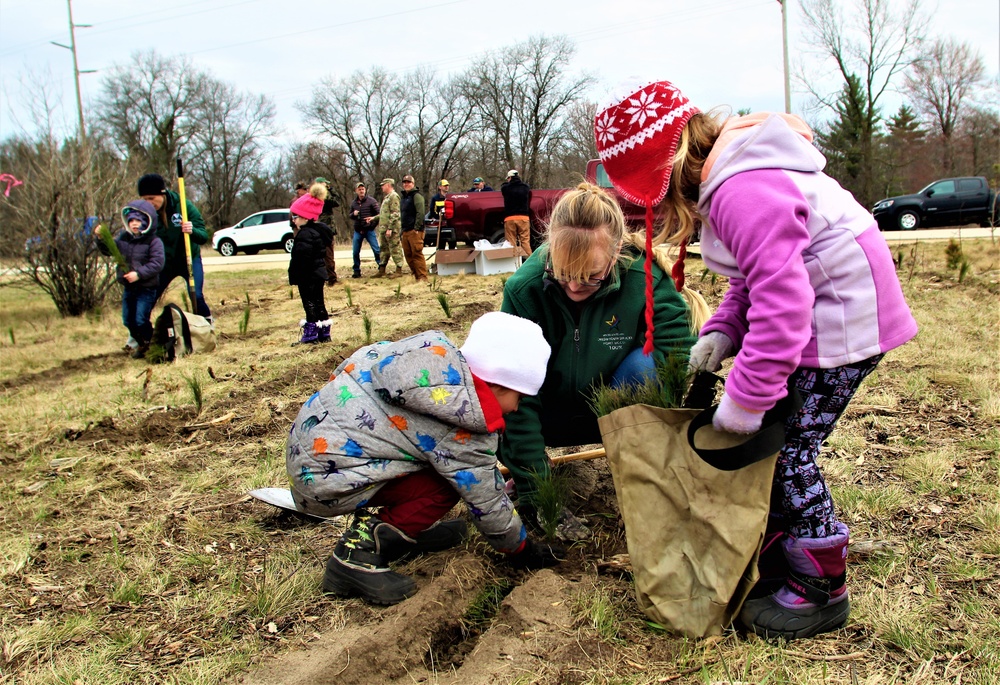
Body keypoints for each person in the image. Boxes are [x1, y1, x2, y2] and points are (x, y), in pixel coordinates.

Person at [594, 80, 919, 639]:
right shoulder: (735, 174)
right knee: (776, 434)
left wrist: (745, 399)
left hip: (842, 322)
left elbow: (784, 304)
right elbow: (754, 281)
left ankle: (822, 584)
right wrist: (719, 335)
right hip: (827, 313)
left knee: (789, 451)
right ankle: (772, 549)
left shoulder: (741, 190)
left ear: (662, 174)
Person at [287, 311, 564, 605]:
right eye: (519, 398)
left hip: (310, 455)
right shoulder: (464, 422)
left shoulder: (427, 364)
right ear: (498, 385)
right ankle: (355, 555)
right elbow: (487, 498)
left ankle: (408, 530)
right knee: (449, 484)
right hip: (328, 479)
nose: (517, 409)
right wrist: (521, 548)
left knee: (438, 464)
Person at [499, 183, 700, 541]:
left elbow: (676, 358)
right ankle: (528, 472)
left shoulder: (644, 277)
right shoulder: (524, 290)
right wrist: (536, 493)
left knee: (645, 367)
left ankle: (642, 476)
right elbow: (514, 394)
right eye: (563, 274)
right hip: (548, 416)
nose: (575, 288)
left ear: (616, 251)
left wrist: (669, 455)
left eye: (591, 276)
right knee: (493, 391)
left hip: (611, 412)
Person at [137, 173, 212, 320]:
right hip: (164, 263)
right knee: (149, 296)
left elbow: (203, 236)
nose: (148, 203)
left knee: (196, 295)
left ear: (162, 194)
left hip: (189, 259)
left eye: (151, 198)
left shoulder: (183, 206)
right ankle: (139, 334)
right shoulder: (143, 214)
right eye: (144, 199)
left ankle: (206, 327)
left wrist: (192, 231)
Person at [98, 200, 165, 359]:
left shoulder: (154, 241)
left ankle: (151, 344)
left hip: (146, 287)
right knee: (128, 320)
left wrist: (138, 274)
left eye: (138, 221)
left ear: (147, 222)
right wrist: (102, 238)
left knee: (141, 319)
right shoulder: (124, 239)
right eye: (131, 221)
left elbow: (157, 263)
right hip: (130, 288)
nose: (134, 224)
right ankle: (141, 344)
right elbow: (110, 250)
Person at [288, 182, 335, 344]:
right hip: (318, 273)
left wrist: (295, 275)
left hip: (307, 276)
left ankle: (311, 335)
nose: (294, 221)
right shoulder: (319, 232)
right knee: (319, 302)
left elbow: (301, 259)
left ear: (305, 216)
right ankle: (324, 333)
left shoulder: (304, 235)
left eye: (295, 217)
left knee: (310, 304)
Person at [399, 174, 428, 281]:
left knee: (417, 254)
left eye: (409, 182)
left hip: (415, 231)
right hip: (405, 231)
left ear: (413, 184)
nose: (406, 184)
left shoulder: (417, 196)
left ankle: (422, 278)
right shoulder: (403, 198)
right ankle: (416, 277)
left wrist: (417, 228)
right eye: (404, 182)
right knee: (408, 256)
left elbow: (420, 213)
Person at [349, 182, 380, 278]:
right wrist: (353, 214)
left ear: (365, 190)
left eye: (363, 189)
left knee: (376, 250)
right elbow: (350, 215)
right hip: (358, 230)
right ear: (356, 191)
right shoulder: (354, 203)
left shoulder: (371, 201)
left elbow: (379, 215)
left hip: (369, 230)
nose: (361, 191)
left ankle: (381, 267)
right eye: (359, 189)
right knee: (355, 252)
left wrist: (372, 224)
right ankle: (356, 270)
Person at [374, 177, 404, 278]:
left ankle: (399, 270)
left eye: (383, 185)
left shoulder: (394, 196)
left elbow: (395, 214)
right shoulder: (387, 197)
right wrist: (373, 218)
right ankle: (382, 269)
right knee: (383, 249)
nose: (382, 187)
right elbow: (384, 214)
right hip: (383, 228)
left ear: (388, 185)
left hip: (391, 229)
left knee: (395, 248)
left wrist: (390, 228)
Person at [314, 177, 340, 286]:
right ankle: (330, 278)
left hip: (323, 227)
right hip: (325, 227)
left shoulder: (315, 195)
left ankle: (328, 276)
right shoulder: (321, 195)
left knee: (326, 254)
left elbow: (336, 201)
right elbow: (335, 201)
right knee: (327, 254)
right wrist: (329, 189)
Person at [501, 170, 532, 257]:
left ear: (510, 178)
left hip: (509, 218)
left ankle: (513, 263)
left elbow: (503, 186)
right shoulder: (525, 187)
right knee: (525, 241)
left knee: (511, 242)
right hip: (523, 217)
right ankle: (530, 260)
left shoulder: (505, 188)